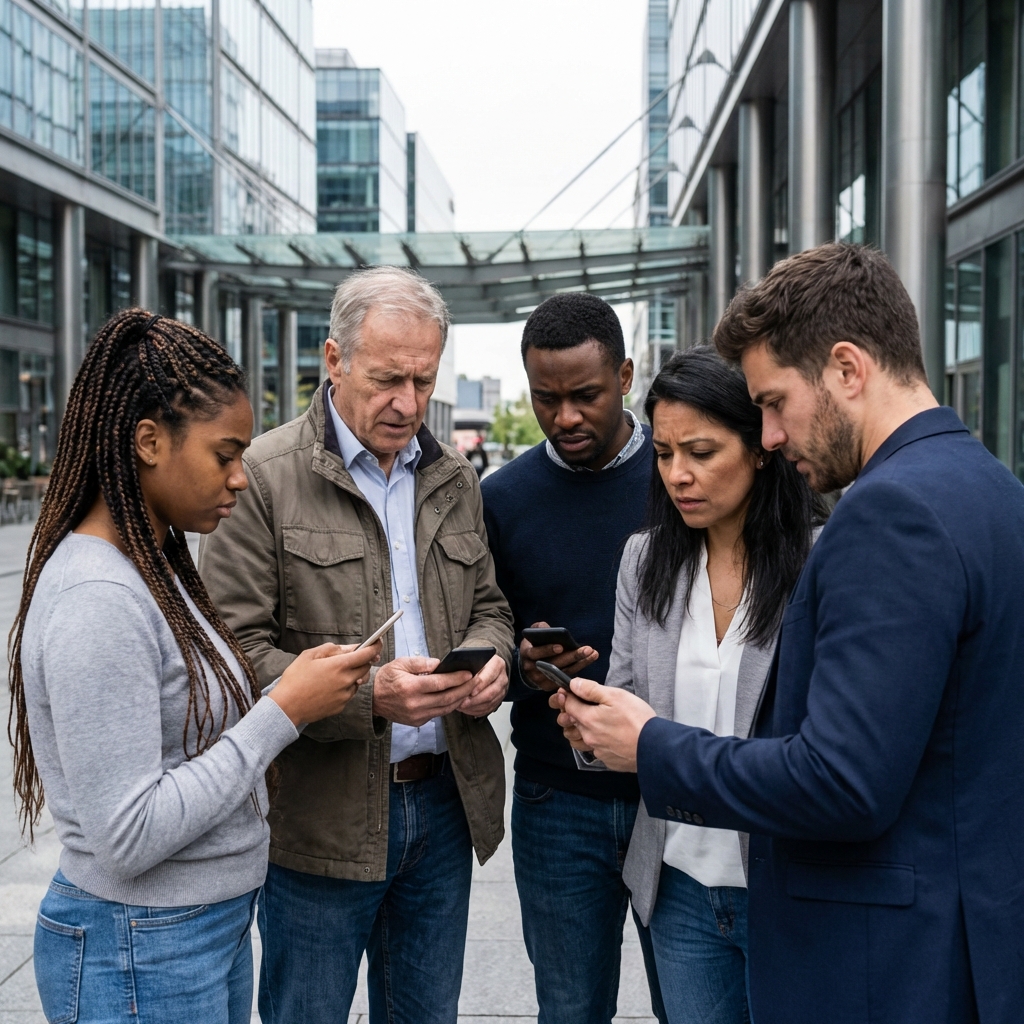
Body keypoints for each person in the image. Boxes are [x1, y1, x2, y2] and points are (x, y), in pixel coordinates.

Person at [553, 243, 1024, 1024]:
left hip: (889, 963)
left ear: (846, 369)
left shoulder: (887, 513)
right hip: (966, 941)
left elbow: (843, 783)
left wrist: (655, 746)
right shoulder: (994, 489)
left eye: (773, 402)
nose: (770, 435)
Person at [10, 309, 381, 1024]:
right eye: (224, 454)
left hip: (180, 933)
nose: (241, 478)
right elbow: (130, 834)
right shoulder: (99, 596)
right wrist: (285, 711)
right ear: (148, 441)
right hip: (140, 944)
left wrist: (291, 689)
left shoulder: (155, 563)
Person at [199, 266, 515, 1024]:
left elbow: (491, 607)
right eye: (386, 379)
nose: (408, 403)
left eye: (424, 380)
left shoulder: (453, 477)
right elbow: (229, 653)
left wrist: (490, 660)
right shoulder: (263, 479)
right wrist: (366, 696)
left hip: (442, 809)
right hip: (319, 822)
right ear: (334, 360)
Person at [564, 346, 822, 1024]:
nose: (679, 475)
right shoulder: (644, 559)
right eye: (665, 453)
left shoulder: (820, 563)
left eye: (702, 452)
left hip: (786, 887)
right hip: (677, 889)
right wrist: (586, 723)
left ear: (761, 447)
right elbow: (625, 709)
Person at [481, 292, 665, 1024]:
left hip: (675, 792)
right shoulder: (504, 497)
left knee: (695, 1002)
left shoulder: (680, 477)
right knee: (568, 1008)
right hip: (557, 802)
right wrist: (519, 665)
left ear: (625, 374)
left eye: (585, 395)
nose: (564, 418)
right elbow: (488, 626)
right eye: (545, 398)